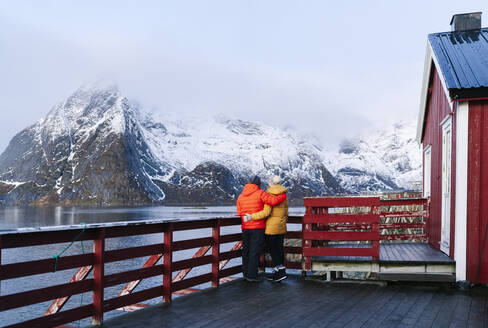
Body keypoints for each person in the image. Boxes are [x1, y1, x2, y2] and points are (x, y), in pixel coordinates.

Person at [237, 175, 287, 282]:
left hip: (245, 226)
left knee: (246, 250)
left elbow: (239, 212)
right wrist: (282, 196)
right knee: (255, 251)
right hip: (258, 227)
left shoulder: (240, 196)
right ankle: (252, 276)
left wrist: (248, 216)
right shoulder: (261, 193)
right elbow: (273, 202)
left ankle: (245, 274)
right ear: (258, 184)